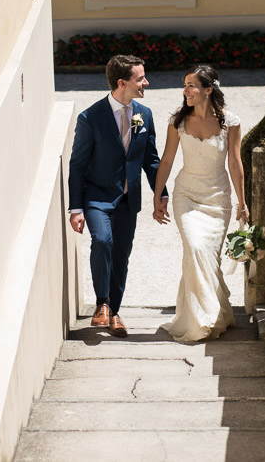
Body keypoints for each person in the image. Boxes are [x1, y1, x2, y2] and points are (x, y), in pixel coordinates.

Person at [68, 54, 167, 337]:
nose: (146, 82)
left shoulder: (144, 115)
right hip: (97, 197)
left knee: (121, 255)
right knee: (102, 240)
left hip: (127, 199)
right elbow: (77, 165)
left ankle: (114, 312)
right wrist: (76, 208)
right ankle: (102, 303)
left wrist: (161, 194)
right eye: (140, 78)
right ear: (122, 83)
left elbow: (151, 159)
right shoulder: (90, 117)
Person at [152, 64, 248, 342]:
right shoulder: (178, 121)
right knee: (195, 248)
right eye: (185, 85)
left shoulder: (231, 122)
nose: (186, 91)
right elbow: (167, 159)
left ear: (209, 89)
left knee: (208, 257)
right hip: (187, 196)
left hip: (218, 200)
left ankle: (214, 313)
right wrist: (158, 196)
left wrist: (242, 203)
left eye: (191, 86)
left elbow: (235, 162)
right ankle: (202, 319)